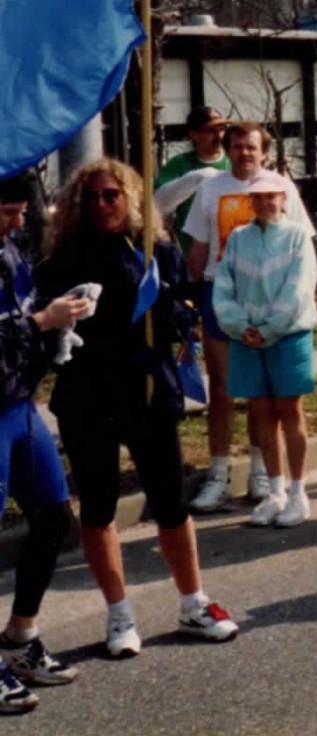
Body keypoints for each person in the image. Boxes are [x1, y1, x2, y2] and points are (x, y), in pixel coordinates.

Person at [37, 160, 238, 657]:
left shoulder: (154, 250)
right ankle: (119, 615)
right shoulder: (62, 258)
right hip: (87, 396)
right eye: (93, 197)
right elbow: (43, 325)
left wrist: (171, 308)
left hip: (147, 392)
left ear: (129, 199)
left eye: (112, 195)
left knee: (170, 504)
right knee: (99, 507)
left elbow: (179, 313)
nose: (103, 204)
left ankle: (193, 603)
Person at [183, 121, 315, 512]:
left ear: (264, 151)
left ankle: (263, 475)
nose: (244, 153)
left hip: (275, 303)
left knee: (270, 396)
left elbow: (303, 248)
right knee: (223, 388)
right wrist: (192, 302)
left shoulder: (281, 186)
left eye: (251, 147)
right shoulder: (210, 188)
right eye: (237, 147)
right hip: (223, 296)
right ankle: (219, 474)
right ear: (228, 149)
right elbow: (198, 251)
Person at [0, 174, 94, 714]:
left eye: (20, 212)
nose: (17, 222)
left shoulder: (11, 249)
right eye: (7, 212)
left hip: (18, 404)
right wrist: (40, 321)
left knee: (55, 519)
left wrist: (61, 314)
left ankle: (18, 637)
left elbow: (24, 310)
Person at [212, 174, 317, 528]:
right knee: (261, 413)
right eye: (258, 198)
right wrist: (241, 326)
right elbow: (223, 288)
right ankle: (276, 492)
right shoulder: (239, 238)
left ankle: (299, 492)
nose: (265, 204)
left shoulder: (298, 236)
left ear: (283, 199)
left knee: (290, 408)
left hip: (288, 335)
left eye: (272, 197)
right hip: (247, 338)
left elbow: (299, 288)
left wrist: (270, 327)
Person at [154, 106, 229, 252]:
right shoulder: (179, 165)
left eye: (222, 129)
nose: (219, 136)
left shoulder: (234, 162)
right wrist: (198, 177)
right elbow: (158, 203)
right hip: (192, 251)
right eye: (211, 130)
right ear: (193, 134)